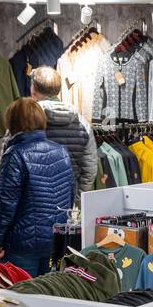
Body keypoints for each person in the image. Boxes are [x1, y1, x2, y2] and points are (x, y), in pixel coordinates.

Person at [0, 99, 74, 275]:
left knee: (20, 297)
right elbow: (69, 195)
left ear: (12, 122)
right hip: (55, 240)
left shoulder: (15, 155)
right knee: (49, 296)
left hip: (21, 244)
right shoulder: (61, 152)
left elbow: (6, 205)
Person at [30, 66, 97, 204]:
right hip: (67, 201)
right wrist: (75, 199)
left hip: (32, 203)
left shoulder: (25, 120)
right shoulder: (82, 122)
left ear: (33, 89)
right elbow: (89, 169)